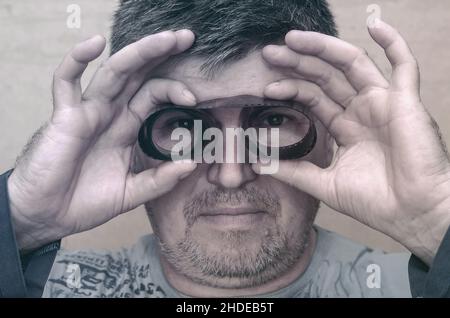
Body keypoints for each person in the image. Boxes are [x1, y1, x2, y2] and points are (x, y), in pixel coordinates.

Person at [1, 0, 449, 298]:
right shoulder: (47, 287)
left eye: (272, 120)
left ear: (330, 134)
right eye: (182, 126)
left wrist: (436, 221)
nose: (231, 172)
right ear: (131, 146)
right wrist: (21, 218)